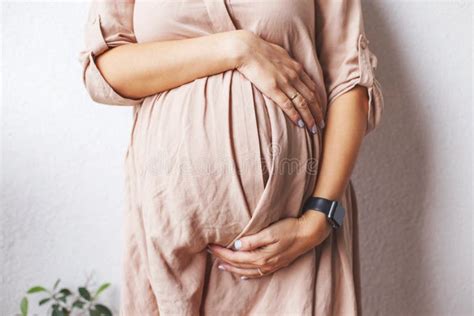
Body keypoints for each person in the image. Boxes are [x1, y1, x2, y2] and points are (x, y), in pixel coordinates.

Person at [78, 0, 384, 315]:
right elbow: (104, 71)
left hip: (297, 237)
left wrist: (319, 217)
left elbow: (350, 84)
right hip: (170, 242)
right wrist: (236, 49)